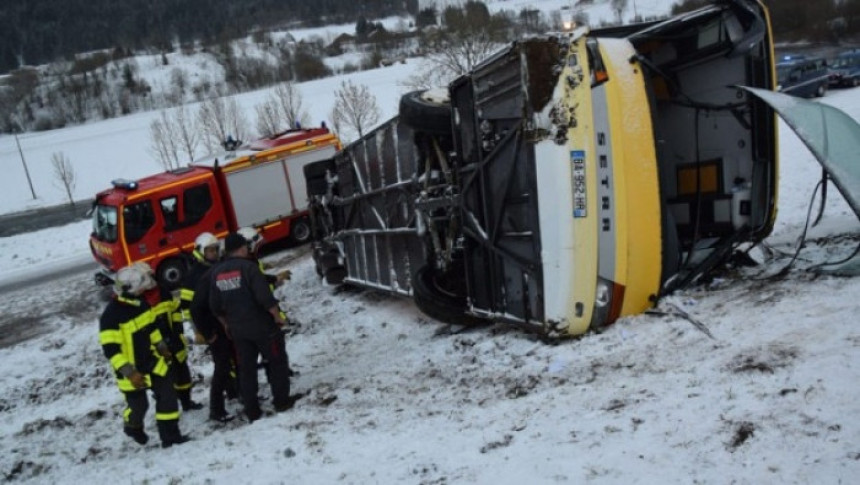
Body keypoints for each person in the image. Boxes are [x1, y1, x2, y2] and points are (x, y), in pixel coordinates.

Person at [99, 263, 189, 448]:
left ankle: (170, 437)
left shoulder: (141, 304)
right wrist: (130, 373)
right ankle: (133, 426)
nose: (145, 288)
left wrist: (162, 347)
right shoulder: (110, 317)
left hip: (151, 361)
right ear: (130, 288)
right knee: (140, 406)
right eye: (142, 285)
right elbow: (111, 350)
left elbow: (152, 329)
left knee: (168, 395)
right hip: (129, 370)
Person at [209, 231, 293, 422]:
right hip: (263, 327)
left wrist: (226, 325)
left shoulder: (216, 273)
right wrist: (277, 316)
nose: (248, 249)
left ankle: (252, 410)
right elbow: (264, 297)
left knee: (246, 370)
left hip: (238, 330)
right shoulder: (248, 268)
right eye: (246, 247)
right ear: (240, 248)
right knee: (277, 361)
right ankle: (281, 401)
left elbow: (215, 306)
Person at [180, 232, 237, 423]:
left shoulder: (218, 268)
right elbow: (188, 308)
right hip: (211, 328)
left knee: (231, 361)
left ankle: (234, 392)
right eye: (209, 250)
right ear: (199, 252)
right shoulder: (193, 277)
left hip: (225, 323)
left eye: (215, 249)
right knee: (222, 366)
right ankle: (216, 408)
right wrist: (200, 331)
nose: (213, 253)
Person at [137, 262, 203, 412]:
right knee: (163, 380)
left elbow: (175, 311)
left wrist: (177, 332)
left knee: (182, 373)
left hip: (173, 339)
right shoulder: (138, 301)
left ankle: (186, 402)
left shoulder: (163, 291)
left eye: (150, 276)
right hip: (155, 346)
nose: (150, 280)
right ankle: (167, 407)